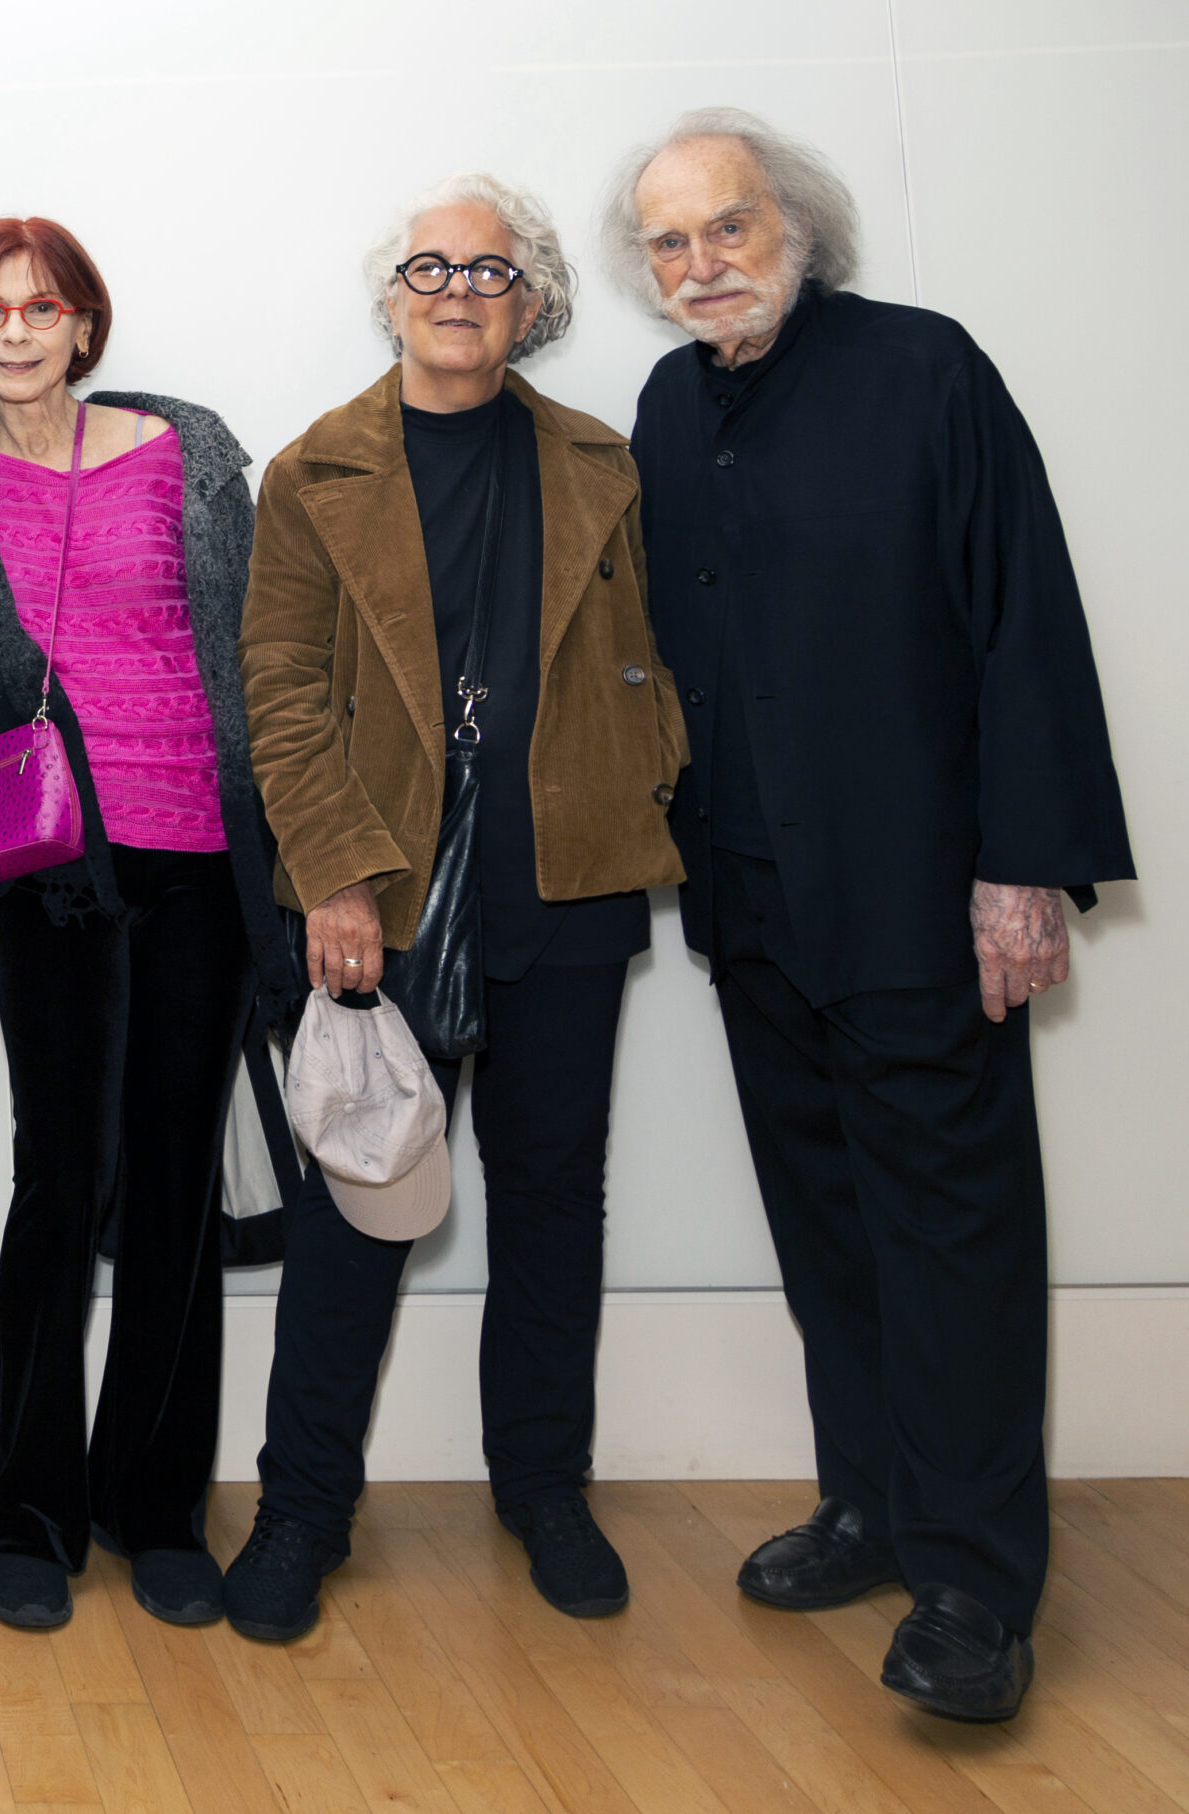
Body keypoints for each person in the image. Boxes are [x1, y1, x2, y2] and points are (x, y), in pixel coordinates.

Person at [605, 108, 1131, 1722]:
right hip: (751, 896)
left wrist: (1021, 867)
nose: (700, 266)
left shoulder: (925, 370)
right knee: (826, 1219)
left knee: (953, 1234)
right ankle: (873, 1504)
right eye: (668, 244)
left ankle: (975, 1582)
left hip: (922, 892)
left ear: (799, 228)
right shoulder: (665, 405)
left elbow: (1020, 617)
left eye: (728, 230)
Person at [232, 174, 690, 1642]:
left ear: (535, 304)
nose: (455, 290)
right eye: (429, 266)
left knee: (555, 1196)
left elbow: (656, 660)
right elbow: (283, 698)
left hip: (567, 874)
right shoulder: (314, 473)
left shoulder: (604, 462)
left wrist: (655, 770)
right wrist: (339, 879)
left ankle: (544, 1485)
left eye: (490, 273)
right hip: (391, 885)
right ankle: (304, 1507)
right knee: (362, 1198)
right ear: (391, 295)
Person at [0, 217, 302, 1632]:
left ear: (85, 326)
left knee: (176, 1174)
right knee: (63, 1181)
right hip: (49, 861)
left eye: (43, 307)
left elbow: (263, 638)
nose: (18, 330)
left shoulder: (190, 444)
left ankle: (156, 1503)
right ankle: (31, 1512)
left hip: (204, 854)